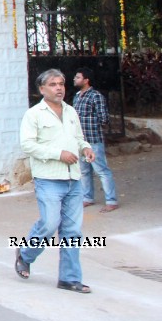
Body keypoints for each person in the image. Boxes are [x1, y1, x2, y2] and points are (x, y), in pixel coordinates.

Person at [14, 69, 94, 294]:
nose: (59, 88)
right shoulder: (34, 114)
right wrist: (58, 153)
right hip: (49, 179)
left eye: (61, 84)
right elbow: (27, 145)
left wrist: (85, 147)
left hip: (73, 179)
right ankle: (26, 253)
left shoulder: (70, 111)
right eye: (53, 84)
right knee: (49, 224)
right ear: (42, 89)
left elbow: (78, 138)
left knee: (72, 231)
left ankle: (69, 279)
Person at [73, 67, 118, 212]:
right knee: (84, 171)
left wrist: (90, 121)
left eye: (78, 77)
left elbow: (104, 118)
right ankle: (87, 198)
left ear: (86, 80)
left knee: (101, 170)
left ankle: (111, 200)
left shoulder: (95, 96)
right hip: (80, 141)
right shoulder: (77, 96)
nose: (75, 79)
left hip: (93, 139)